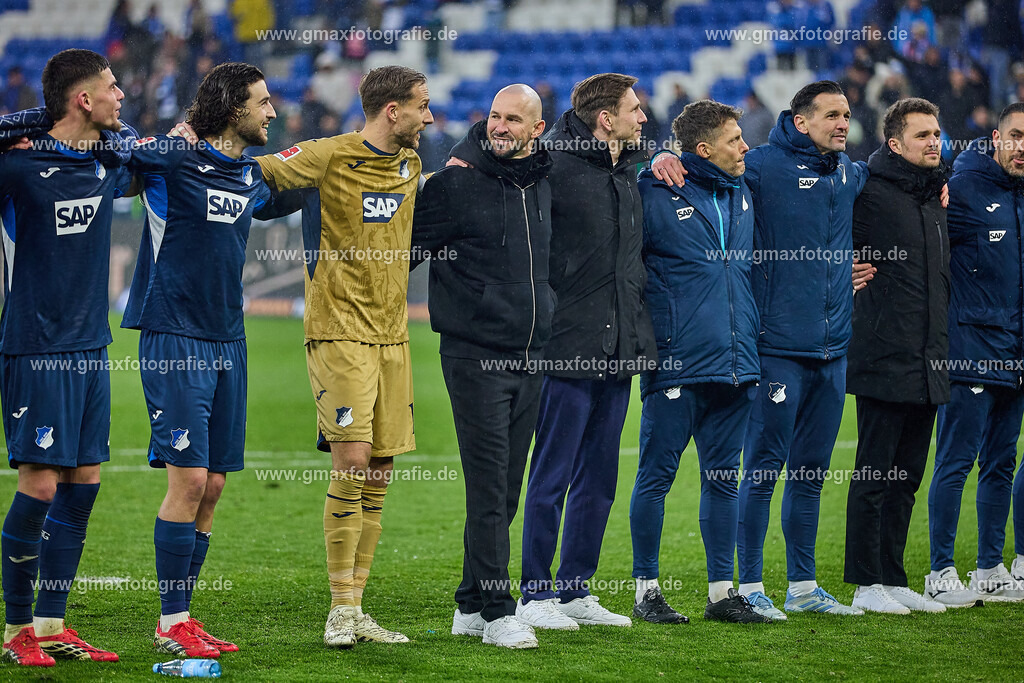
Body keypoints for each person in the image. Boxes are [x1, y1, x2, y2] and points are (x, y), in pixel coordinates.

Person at [652, 81, 870, 618]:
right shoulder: (761, 166)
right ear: (801, 121)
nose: (844, 123)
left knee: (812, 471)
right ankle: (747, 585)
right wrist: (659, 155)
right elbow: (697, 167)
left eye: (846, 115)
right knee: (764, 468)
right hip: (775, 347)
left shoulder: (849, 172)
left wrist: (935, 181)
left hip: (833, 347)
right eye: (832, 116)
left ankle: (803, 585)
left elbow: (901, 180)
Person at [255, 65, 432, 649]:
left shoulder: (412, 164)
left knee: (379, 470)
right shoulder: (328, 155)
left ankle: (358, 608)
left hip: (392, 335)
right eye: (421, 107)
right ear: (391, 111)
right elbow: (257, 173)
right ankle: (338, 609)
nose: (428, 117)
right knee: (351, 462)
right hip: (338, 329)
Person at [123, 62, 287, 657]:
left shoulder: (250, 174)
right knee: (189, 478)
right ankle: (171, 621)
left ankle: (183, 615)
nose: (272, 111)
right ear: (232, 107)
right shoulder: (170, 160)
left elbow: (305, 180)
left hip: (229, 340)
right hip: (174, 336)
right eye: (262, 102)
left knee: (213, 484)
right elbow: (113, 153)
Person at [0, 48, 131, 667]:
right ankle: (16, 629)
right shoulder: (19, 167)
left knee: (83, 484)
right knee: (42, 487)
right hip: (35, 346)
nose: (121, 96)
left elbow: (144, 147)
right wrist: (20, 124)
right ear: (83, 99)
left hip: (91, 347)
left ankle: (53, 625)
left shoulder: (109, 158)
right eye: (111, 88)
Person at [413, 84, 553, 649]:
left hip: (533, 356)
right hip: (475, 356)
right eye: (495, 116)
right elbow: (402, 253)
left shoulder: (547, 182)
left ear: (537, 130)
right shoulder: (451, 185)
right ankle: (498, 608)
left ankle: (472, 604)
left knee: (507, 489)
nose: (501, 126)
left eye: (513, 119)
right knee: (491, 484)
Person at [515, 73, 654, 631]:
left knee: (599, 477)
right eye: (635, 109)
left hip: (618, 349)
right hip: (565, 347)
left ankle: (575, 589)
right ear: (606, 117)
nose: (643, 118)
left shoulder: (628, 170)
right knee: (551, 474)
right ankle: (534, 593)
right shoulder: (549, 165)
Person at [632, 100, 768, 624]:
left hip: (736, 363)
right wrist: (652, 160)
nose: (745, 147)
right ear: (704, 148)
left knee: (723, 480)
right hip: (677, 361)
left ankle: (720, 594)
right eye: (735, 140)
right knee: (656, 479)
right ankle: (646, 591)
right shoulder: (653, 191)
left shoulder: (744, 193)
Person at [844, 98, 950, 614]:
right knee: (873, 475)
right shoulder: (865, 187)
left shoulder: (934, 195)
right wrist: (839, 269)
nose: (934, 141)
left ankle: (893, 577)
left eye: (937, 133)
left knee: (907, 476)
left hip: (929, 356)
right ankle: (866, 582)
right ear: (894, 143)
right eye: (923, 135)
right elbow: (820, 231)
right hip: (883, 353)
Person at [926, 102, 1024, 606]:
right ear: (995, 138)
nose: (1023, 147)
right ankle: (940, 571)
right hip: (969, 350)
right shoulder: (961, 187)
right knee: (956, 461)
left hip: (1015, 352)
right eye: (1017, 136)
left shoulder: (1021, 196)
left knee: (1001, 463)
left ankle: (990, 567)